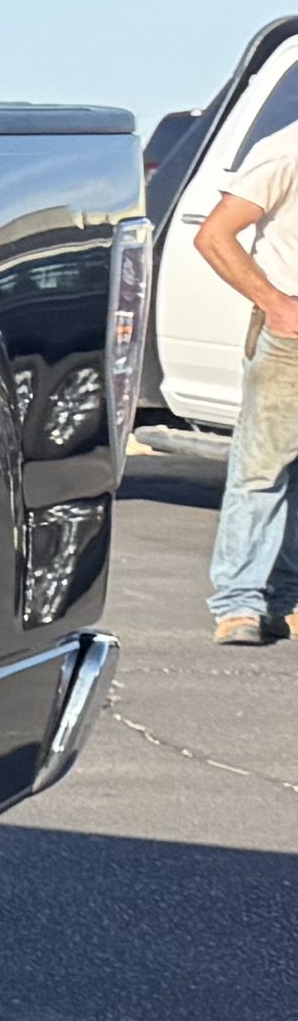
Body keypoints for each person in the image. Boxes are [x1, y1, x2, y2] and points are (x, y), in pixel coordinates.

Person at [198, 127, 298, 643]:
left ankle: (289, 598)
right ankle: (238, 603)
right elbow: (213, 236)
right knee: (262, 471)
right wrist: (279, 306)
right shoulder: (286, 149)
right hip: (291, 342)